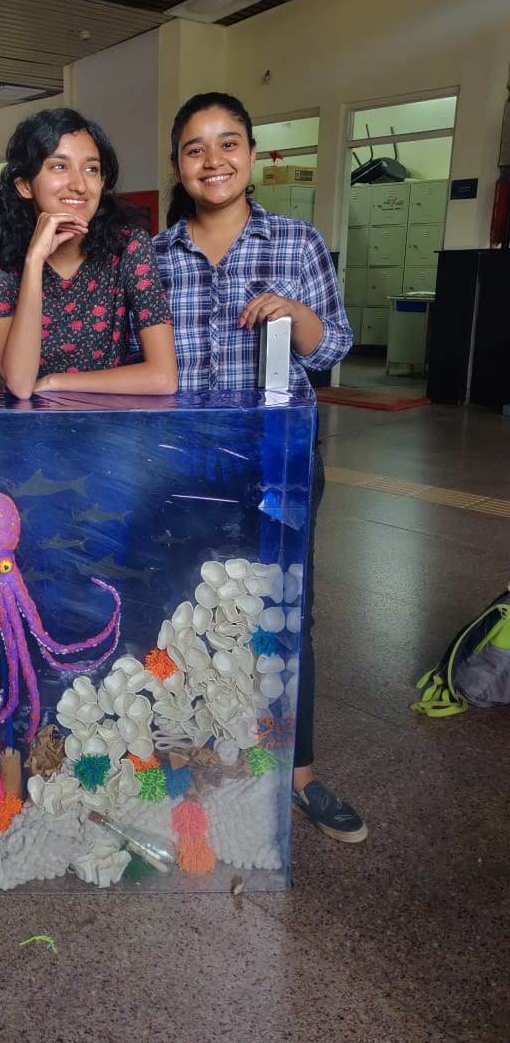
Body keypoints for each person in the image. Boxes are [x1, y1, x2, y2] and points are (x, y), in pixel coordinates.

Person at [155, 91, 366, 844]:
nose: (213, 160)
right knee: (186, 604)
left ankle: (298, 777)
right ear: (178, 165)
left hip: (278, 458)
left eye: (228, 143)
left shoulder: (296, 243)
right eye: (195, 148)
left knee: (283, 609)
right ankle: (199, 760)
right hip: (184, 461)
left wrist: (295, 315)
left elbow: (333, 346)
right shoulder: (156, 255)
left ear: (251, 155)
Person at [0, 107, 176, 400]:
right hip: (30, 435)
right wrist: (34, 262)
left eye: (91, 169)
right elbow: (19, 383)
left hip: (109, 428)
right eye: (59, 166)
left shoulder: (129, 245)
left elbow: (163, 378)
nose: (79, 185)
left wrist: (55, 383)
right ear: (24, 185)